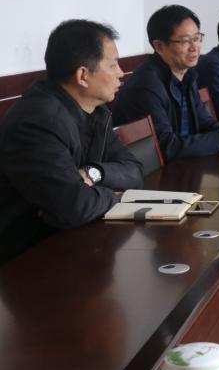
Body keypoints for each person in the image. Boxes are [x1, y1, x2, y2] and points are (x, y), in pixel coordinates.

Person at [0, 20, 144, 263]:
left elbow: (135, 171)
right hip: (26, 261)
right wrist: (116, 195)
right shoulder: (37, 122)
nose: (121, 73)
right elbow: (73, 207)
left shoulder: (95, 113)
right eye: (113, 65)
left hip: (73, 243)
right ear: (83, 76)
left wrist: (94, 173)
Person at [112, 5, 219, 161]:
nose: (195, 47)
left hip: (186, 162)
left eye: (197, 38)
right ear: (159, 46)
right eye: (185, 41)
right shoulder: (146, 86)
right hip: (158, 172)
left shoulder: (187, 74)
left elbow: (203, 121)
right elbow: (164, 147)